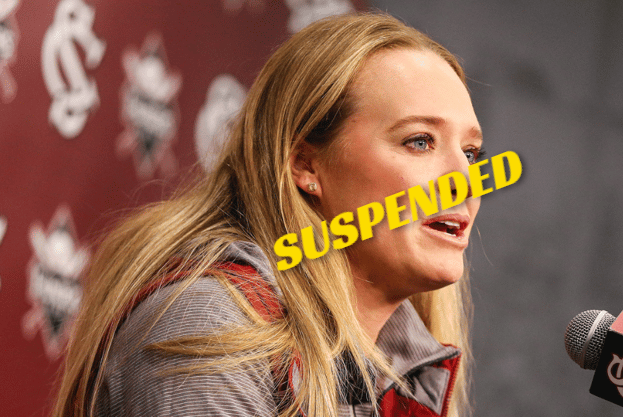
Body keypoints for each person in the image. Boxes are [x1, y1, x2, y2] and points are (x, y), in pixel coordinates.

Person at [53, 12, 484, 417]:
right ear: (305, 164)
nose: (466, 182)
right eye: (419, 141)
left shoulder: (406, 367)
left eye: (470, 153)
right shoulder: (210, 324)